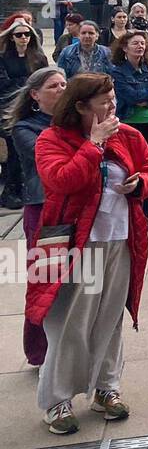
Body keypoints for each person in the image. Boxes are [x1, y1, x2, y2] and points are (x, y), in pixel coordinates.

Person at [29, 72, 148, 433]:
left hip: (120, 241)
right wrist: (94, 145)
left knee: (110, 319)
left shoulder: (129, 135)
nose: (113, 104)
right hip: (74, 246)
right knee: (71, 325)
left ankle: (106, 389)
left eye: (113, 96)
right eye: (105, 100)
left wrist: (141, 185)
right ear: (82, 106)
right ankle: (57, 401)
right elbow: (62, 181)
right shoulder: (51, 140)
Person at [6, 66, 67, 366]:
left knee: (79, 279)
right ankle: (39, 351)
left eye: (64, 84)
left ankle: (68, 344)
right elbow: (49, 160)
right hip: (43, 210)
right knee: (44, 283)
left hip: (73, 207)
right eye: (54, 86)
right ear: (35, 95)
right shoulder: (25, 129)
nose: (61, 89)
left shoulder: (75, 123)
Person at [108, 30, 148, 231]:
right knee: (129, 169)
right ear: (125, 48)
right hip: (129, 125)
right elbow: (129, 96)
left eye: (143, 43)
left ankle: (145, 214)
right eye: (135, 43)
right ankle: (130, 212)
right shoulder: (117, 71)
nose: (140, 47)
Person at [1, 17, 51, 209]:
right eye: (19, 34)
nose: (23, 38)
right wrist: (29, 84)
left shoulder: (38, 58)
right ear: (12, 37)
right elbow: (4, 85)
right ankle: (11, 191)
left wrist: (27, 85)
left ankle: (29, 189)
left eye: (27, 34)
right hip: (9, 109)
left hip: (34, 108)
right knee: (15, 150)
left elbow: (45, 80)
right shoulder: (3, 58)